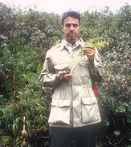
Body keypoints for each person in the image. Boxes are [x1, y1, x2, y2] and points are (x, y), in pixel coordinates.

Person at [40, 11, 105, 147]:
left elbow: (100, 77)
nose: (71, 29)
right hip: (60, 115)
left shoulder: (90, 50)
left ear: (79, 27)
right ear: (62, 27)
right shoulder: (52, 52)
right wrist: (57, 77)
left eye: (75, 25)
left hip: (85, 115)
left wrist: (92, 60)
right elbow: (43, 78)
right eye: (68, 25)